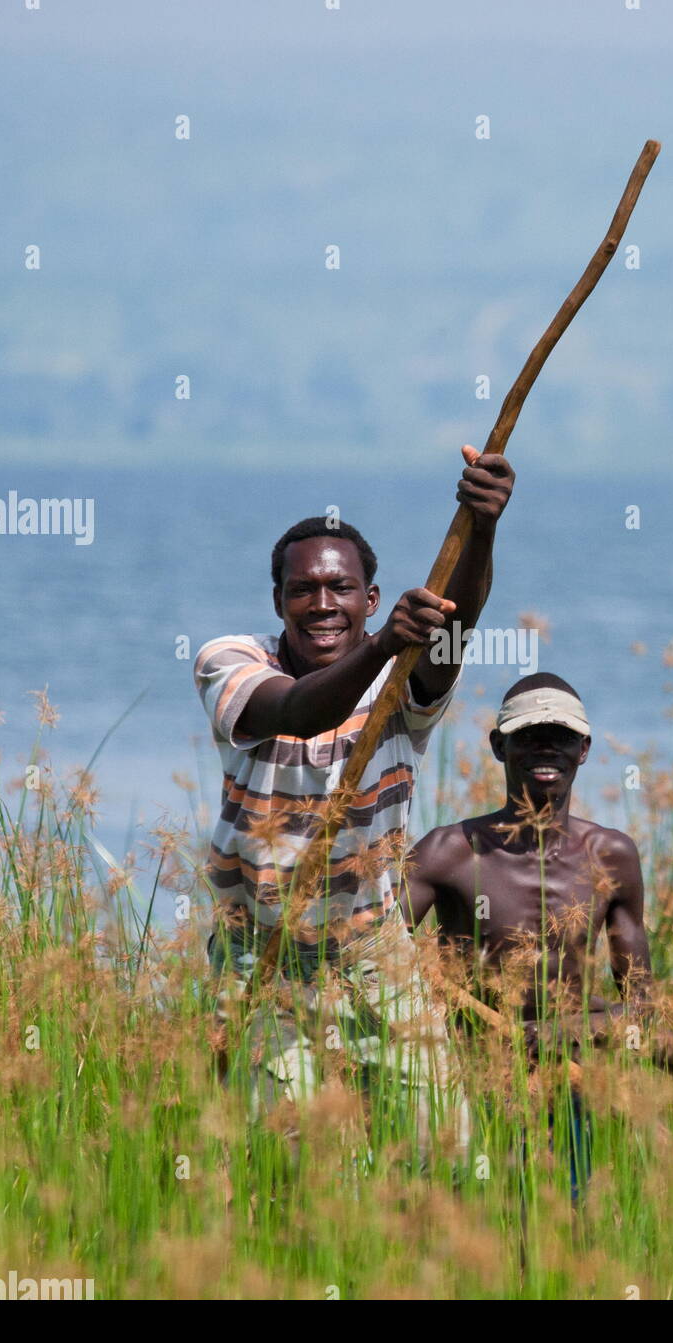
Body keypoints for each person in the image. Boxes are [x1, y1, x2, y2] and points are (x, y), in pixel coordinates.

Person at [194, 446, 514, 1160]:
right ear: (277, 600)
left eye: (340, 590)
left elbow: (453, 629)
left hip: (373, 952)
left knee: (446, 1148)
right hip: (263, 957)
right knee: (299, 1162)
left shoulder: (402, 679)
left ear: (370, 599)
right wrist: (375, 651)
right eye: (302, 590)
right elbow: (300, 713)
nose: (321, 605)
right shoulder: (231, 662)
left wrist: (483, 523)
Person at [402, 673, 651, 1197]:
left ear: (583, 750)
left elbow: (643, 1004)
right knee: (468, 1224)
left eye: (559, 737)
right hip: (465, 1081)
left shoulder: (612, 855)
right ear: (499, 745)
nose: (545, 749)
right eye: (528, 735)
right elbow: (372, 955)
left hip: (569, 1080)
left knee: (561, 1227)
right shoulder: (449, 851)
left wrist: (566, 1033)